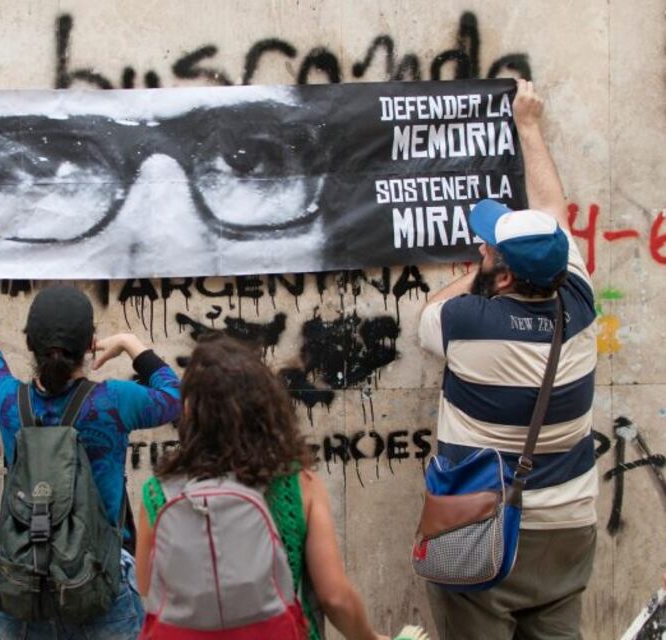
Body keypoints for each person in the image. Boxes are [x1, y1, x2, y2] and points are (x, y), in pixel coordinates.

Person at [417, 79, 598, 639]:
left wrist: (481, 272)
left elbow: (428, 310)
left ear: (504, 270)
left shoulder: (467, 322)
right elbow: (552, 214)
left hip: (483, 524)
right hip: (569, 526)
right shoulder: (580, 306)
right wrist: (530, 126)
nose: (481, 249)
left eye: (489, 247)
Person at [0, 273, 182, 640]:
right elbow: (173, 396)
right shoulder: (113, 401)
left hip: (25, 587)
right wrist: (131, 343)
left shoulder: (9, 402)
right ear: (91, 344)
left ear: (28, 343)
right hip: (99, 584)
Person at [135, 334, 387, 640]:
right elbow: (334, 597)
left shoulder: (157, 491)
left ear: (189, 412)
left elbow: (147, 585)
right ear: (264, 407)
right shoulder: (297, 482)